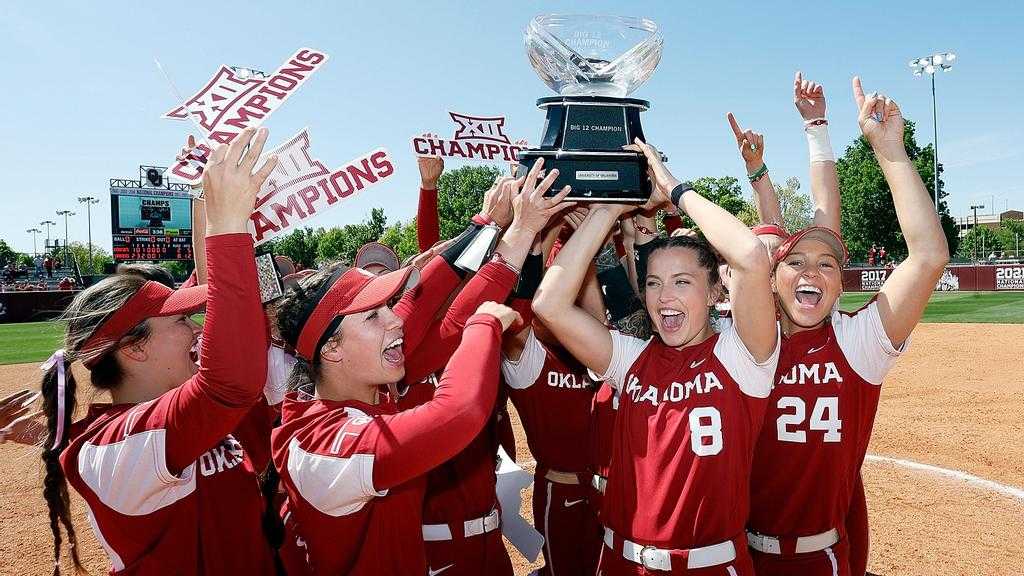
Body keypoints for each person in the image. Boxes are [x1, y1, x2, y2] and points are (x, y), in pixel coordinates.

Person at [39, 127, 280, 574]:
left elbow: (238, 334)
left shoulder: (202, 413)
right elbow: (232, 378)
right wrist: (228, 227)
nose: (196, 330)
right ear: (133, 349)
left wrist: (204, 202)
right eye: (180, 321)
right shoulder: (110, 445)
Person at [534, 138, 780, 575]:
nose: (664, 297)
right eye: (653, 283)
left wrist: (674, 189)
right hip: (620, 562)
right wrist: (608, 210)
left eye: (682, 282)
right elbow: (548, 304)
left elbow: (750, 256)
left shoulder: (742, 358)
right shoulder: (632, 358)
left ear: (715, 292)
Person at [747, 77, 950, 576]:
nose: (811, 273)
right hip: (737, 555)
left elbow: (928, 256)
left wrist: (889, 149)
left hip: (819, 558)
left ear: (841, 286)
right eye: (796, 263)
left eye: (827, 265)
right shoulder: (742, 340)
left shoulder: (856, 343)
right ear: (771, 278)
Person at [269, 253, 520, 574]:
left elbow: (418, 304)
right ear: (332, 349)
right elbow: (459, 413)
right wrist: (484, 324)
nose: (396, 320)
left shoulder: (356, 392)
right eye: (374, 315)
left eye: (388, 305)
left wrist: (482, 232)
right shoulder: (324, 446)